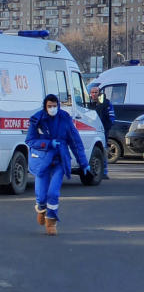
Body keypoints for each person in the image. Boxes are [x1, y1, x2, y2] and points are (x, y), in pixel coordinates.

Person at [25, 94, 91, 236]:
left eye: (54, 106)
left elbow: (75, 141)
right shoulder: (37, 119)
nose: (52, 108)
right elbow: (30, 140)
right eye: (50, 106)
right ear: (45, 106)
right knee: (41, 197)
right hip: (43, 160)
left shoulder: (65, 118)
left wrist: (84, 163)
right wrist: (47, 144)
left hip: (60, 160)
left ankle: (51, 221)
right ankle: (41, 209)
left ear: (58, 105)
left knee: (53, 193)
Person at [89, 86, 115, 179]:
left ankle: (104, 172)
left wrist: (106, 127)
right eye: (92, 92)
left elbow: (111, 117)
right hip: (91, 131)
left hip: (103, 131)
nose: (94, 94)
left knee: (103, 150)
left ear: (99, 93)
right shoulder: (88, 104)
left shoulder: (106, 103)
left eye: (96, 92)